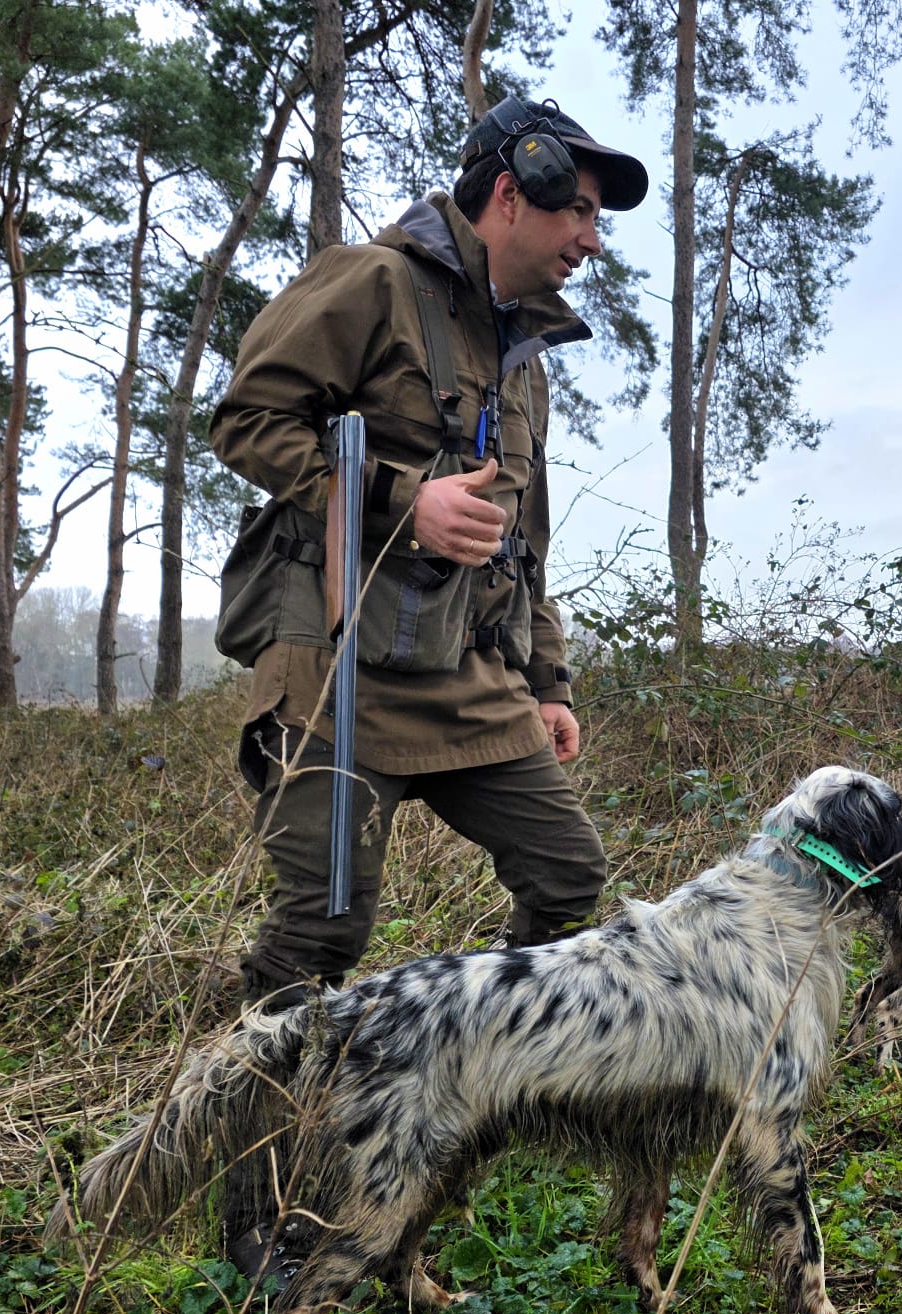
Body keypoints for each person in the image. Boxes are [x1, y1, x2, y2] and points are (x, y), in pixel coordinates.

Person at [208, 98, 649, 1012]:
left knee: (568, 879)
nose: (591, 239)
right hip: (336, 661)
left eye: (596, 219)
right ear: (511, 192)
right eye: (578, 209)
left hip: (469, 670)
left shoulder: (524, 357)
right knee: (322, 925)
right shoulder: (371, 281)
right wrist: (406, 502)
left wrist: (549, 682)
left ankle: (497, 1063)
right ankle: (253, 1098)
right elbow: (247, 420)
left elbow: (523, 545)